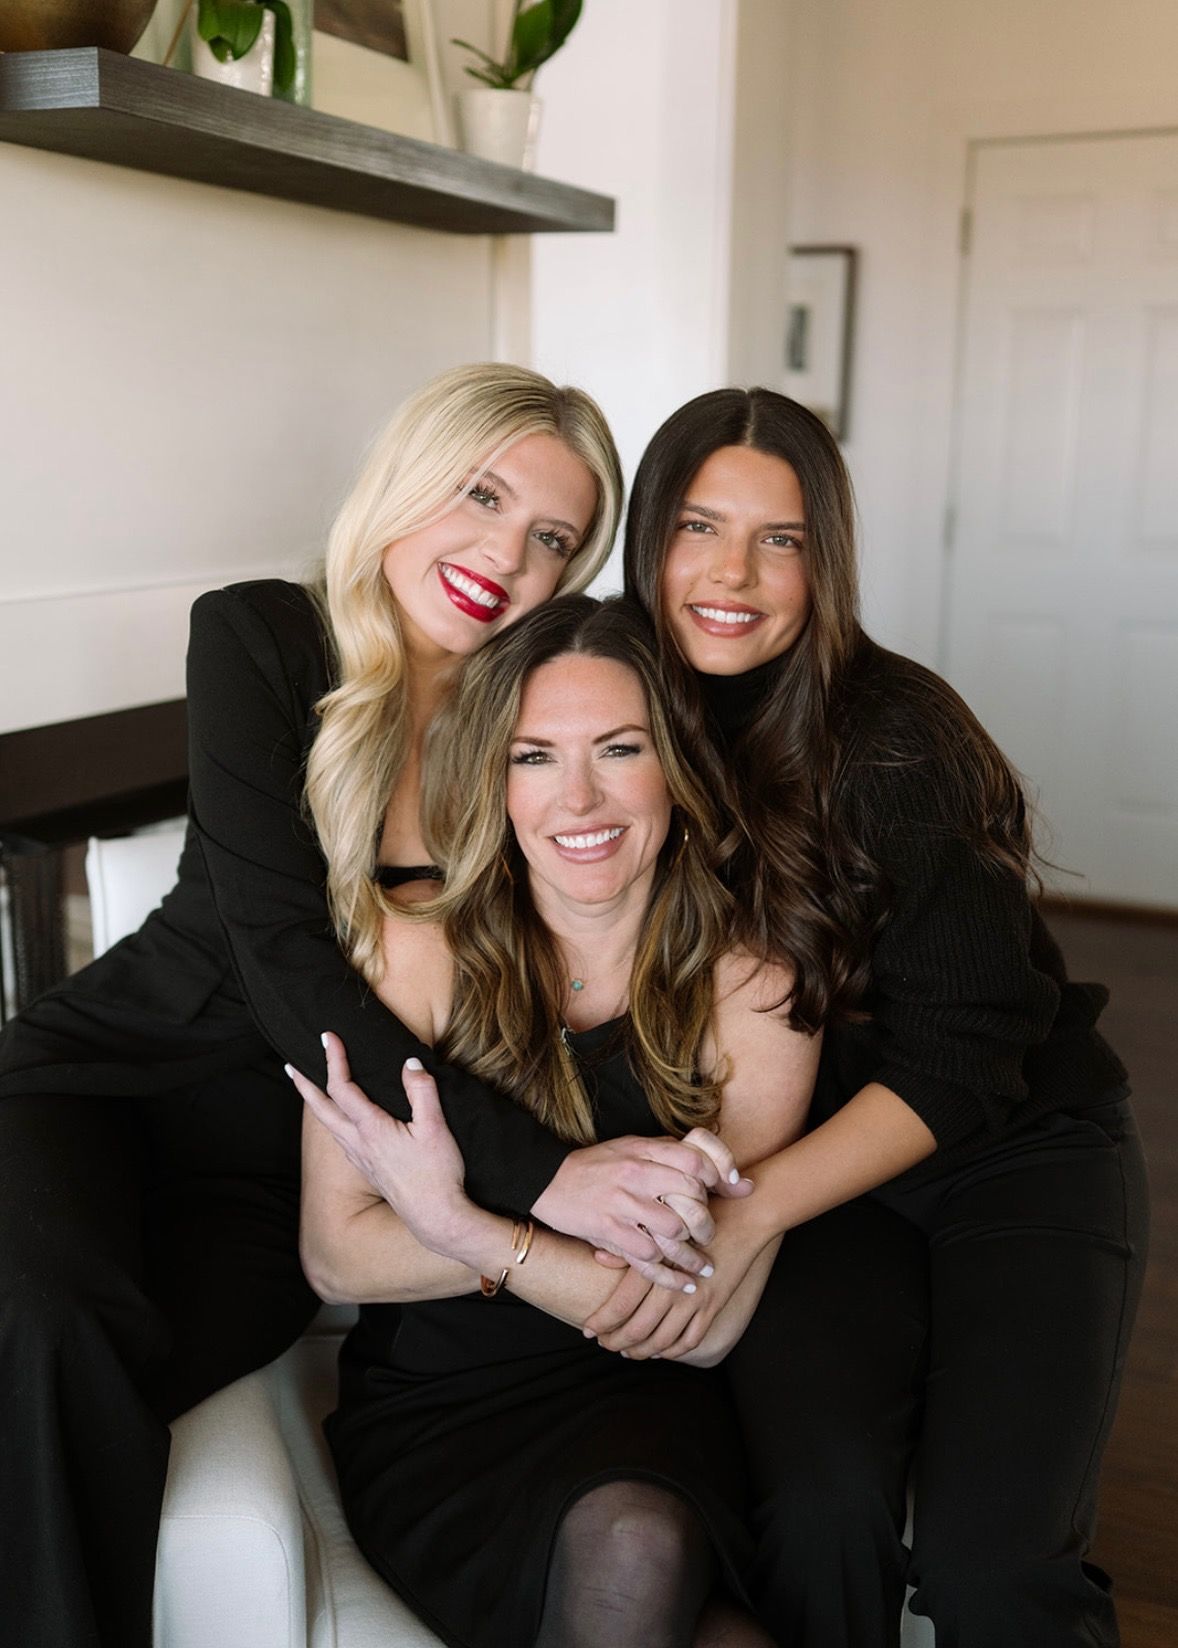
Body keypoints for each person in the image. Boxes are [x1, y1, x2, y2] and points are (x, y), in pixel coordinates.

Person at [0, 363, 722, 1648]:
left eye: (550, 537)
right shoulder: (265, 636)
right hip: (112, 1090)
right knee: (55, 1330)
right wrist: (545, 1181)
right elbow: (287, 958)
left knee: (94, 1381)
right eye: (482, 494)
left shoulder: (525, 722)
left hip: (288, 1182)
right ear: (408, 478)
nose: (503, 555)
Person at [571, 386, 1148, 1647]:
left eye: (778, 540)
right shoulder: (599, 692)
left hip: (1007, 1151)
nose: (733, 575)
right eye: (698, 528)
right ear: (647, 536)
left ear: (821, 560)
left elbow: (963, 1056)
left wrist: (753, 1209)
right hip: (816, 1173)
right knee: (819, 1513)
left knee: (991, 1568)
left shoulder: (892, 738)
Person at [289, 594, 820, 1648]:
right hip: (443, 1408)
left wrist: (467, 1229)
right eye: (533, 756)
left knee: (642, 1543)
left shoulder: (753, 979)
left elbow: (703, 1323)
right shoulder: (412, 954)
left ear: (675, 765)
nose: (576, 796)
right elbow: (336, 1253)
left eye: (618, 748)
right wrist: (581, 1252)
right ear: (491, 776)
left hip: (646, 1398)